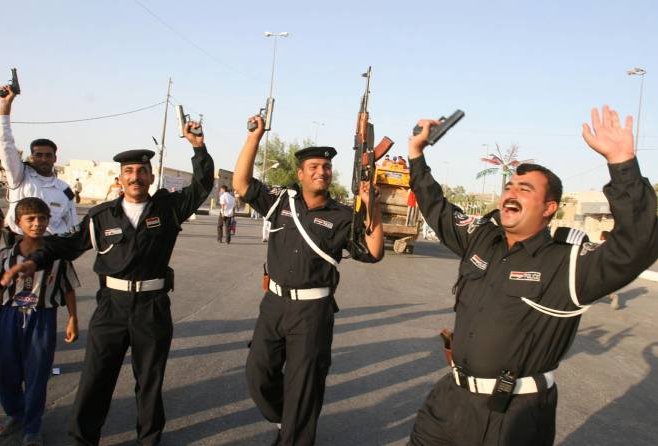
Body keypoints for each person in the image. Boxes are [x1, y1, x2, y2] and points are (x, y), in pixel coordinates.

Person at [406, 105, 657, 446]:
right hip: (448, 404)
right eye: (509, 186)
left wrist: (622, 164)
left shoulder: (567, 263)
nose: (510, 193)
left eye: (525, 189)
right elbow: (436, 207)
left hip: (512, 417)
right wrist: (416, 155)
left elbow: (637, 244)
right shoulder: (481, 238)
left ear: (549, 208)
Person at [1, 120, 214, 445]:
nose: (135, 177)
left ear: (150, 176)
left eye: (141, 171)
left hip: (152, 307)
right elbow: (67, 245)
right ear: (120, 179)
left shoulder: (168, 209)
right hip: (111, 308)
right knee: (96, 379)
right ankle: (84, 439)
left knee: (149, 381)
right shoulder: (101, 217)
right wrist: (33, 260)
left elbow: (202, 185)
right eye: (129, 171)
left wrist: (198, 147)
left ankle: (149, 439)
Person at [233, 116, 385, 446]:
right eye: (314, 166)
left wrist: (372, 205)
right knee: (258, 374)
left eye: (326, 167)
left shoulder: (343, 215)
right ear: (300, 173)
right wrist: (255, 138)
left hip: (313, 311)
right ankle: (284, 420)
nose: (321, 171)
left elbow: (373, 252)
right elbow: (242, 184)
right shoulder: (280, 200)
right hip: (273, 304)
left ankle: (295, 432)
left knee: (303, 387)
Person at [0, 197, 79, 446]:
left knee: (37, 374)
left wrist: (73, 319)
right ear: (18, 222)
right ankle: (15, 413)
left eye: (42, 218)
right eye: (30, 219)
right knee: (6, 372)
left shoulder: (57, 255)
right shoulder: (5, 256)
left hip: (42, 317)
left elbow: (67, 289)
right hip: (9, 316)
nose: (37, 224)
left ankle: (33, 428)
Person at [0, 85, 78, 244]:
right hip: (20, 243)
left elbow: (72, 224)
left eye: (48, 155)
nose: (43, 159)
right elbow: (6, 144)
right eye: (38, 155)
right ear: (32, 157)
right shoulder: (20, 177)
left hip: (52, 247)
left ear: (55, 158)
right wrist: (5, 107)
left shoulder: (65, 189)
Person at [599, 230, 620, 310]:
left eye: (601, 235)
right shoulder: (611, 245)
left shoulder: (605, 245)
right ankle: (613, 297)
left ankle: (614, 297)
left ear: (604, 236)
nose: (599, 236)